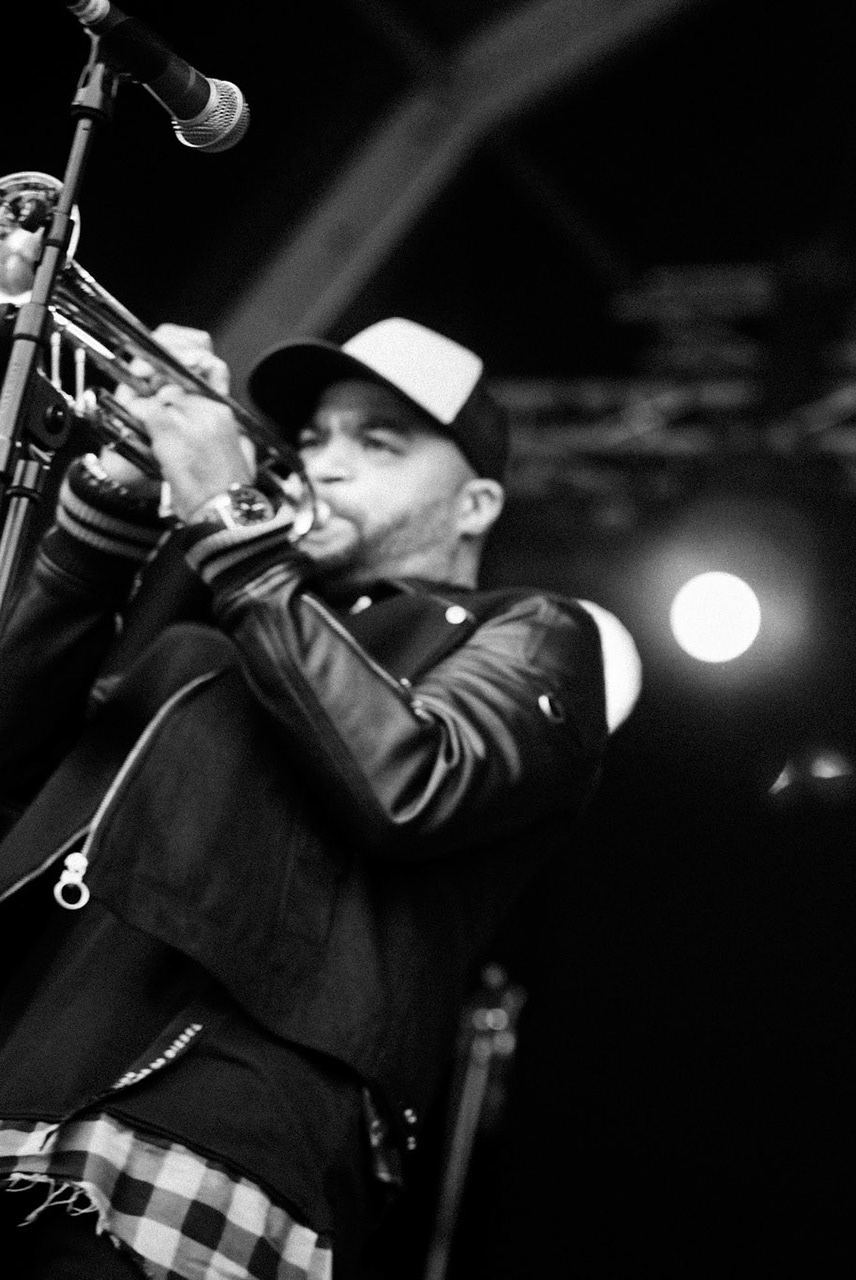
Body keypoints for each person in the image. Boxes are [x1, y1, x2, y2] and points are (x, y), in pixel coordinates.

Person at [0, 317, 619, 1279]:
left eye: (378, 442)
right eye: (317, 438)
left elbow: (410, 783)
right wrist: (111, 506)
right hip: (28, 1060)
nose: (323, 465)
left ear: (476, 503)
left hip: (210, 1126)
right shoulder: (221, 615)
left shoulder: (536, 633)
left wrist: (227, 520)